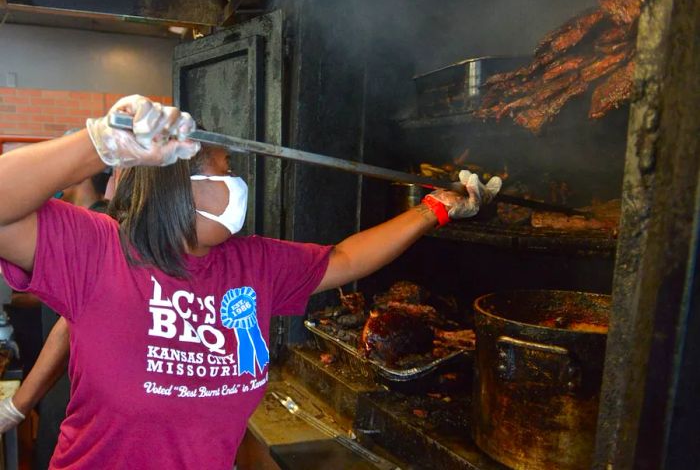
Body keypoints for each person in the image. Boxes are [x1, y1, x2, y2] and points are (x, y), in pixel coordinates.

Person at [0, 95, 501, 469]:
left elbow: (345, 257)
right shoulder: (99, 249)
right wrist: (100, 144)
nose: (239, 185)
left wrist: (435, 209)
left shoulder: (254, 264)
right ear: (181, 184)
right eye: (227, 171)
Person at [0, 167, 112, 469]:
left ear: (83, 175)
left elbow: (67, 324)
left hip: (71, 380)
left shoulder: (99, 227)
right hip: (60, 376)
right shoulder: (74, 223)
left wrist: (18, 405)